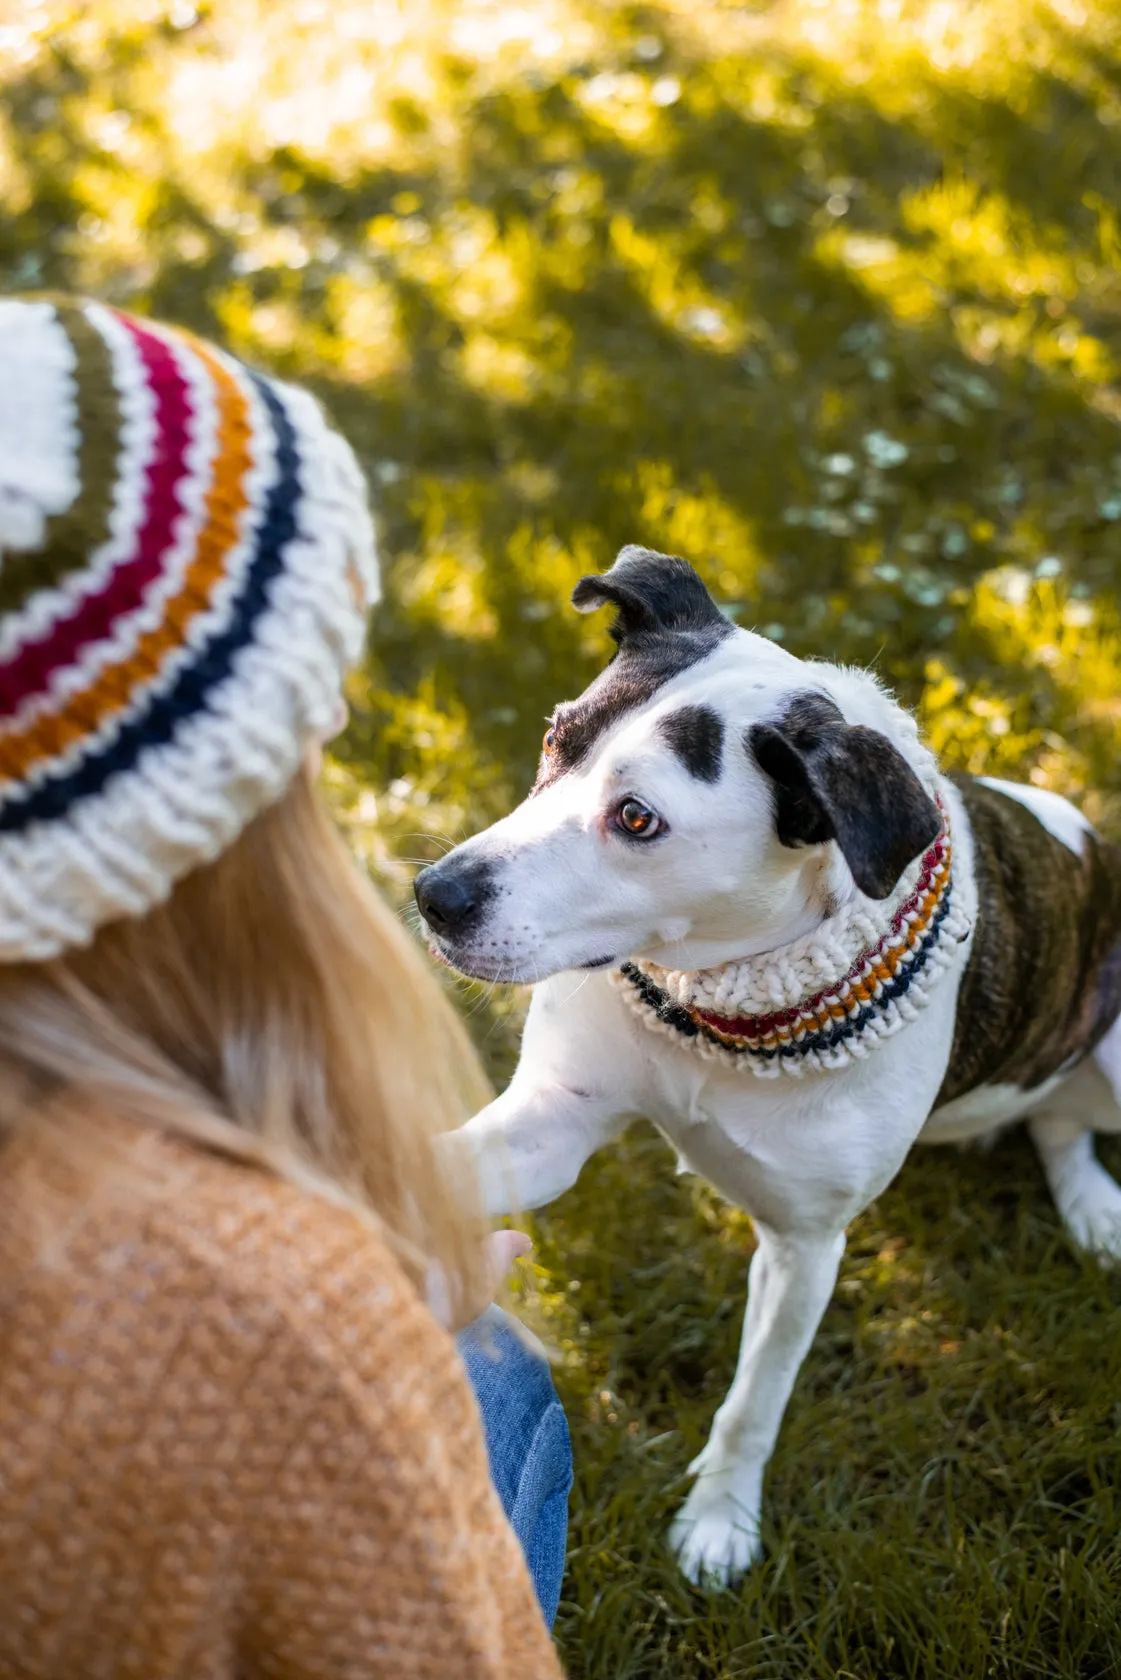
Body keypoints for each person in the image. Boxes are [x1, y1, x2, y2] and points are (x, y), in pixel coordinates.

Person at [0, 294, 569, 1677]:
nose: (342, 717)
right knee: (500, 1381)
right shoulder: (245, 1303)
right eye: (303, 701)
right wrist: (369, 1344)